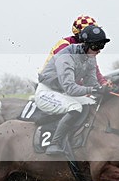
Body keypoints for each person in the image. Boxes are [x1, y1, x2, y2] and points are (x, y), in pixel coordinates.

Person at [35, 25, 111, 155]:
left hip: (63, 93)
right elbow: (70, 88)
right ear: (84, 44)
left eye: (101, 46)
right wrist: (95, 89)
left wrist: (103, 90)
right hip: (46, 93)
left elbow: (91, 83)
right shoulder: (66, 57)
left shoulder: (90, 58)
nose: (98, 50)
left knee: (92, 103)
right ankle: (55, 143)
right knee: (75, 107)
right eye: (96, 46)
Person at [40, 15, 111, 86]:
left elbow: (93, 68)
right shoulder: (65, 45)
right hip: (51, 84)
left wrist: (103, 83)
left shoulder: (88, 49)